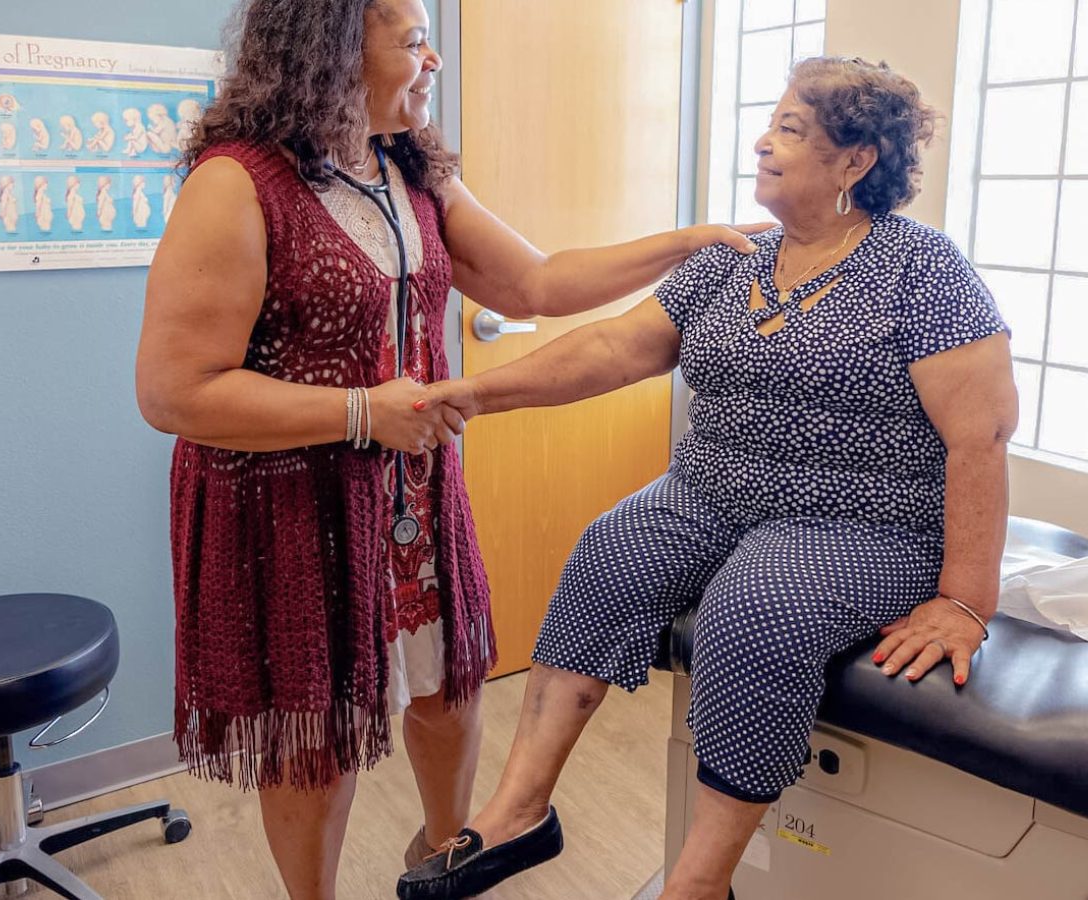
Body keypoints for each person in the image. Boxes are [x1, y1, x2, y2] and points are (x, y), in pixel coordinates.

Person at [132, 2, 760, 899]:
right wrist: (360, 411)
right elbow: (173, 391)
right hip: (289, 507)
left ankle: (442, 858)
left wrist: (687, 243)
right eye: (413, 40)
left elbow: (535, 281)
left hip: (412, 493)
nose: (432, 62)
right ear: (335, 49)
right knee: (322, 725)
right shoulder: (236, 185)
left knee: (448, 685)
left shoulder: (408, 171)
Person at [397, 57, 1018, 900]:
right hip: (708, 495)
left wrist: (964, 599)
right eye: (771, 123)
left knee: (755, 610)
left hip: (862, 520)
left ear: (855, 162)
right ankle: (518, 812)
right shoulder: (736, 258)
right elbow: (618, 349)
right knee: (608, 550)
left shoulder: (924, 270)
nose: (763, 141)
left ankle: (699, 882)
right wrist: (476, 393)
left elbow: (981, 437)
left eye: (791, 130)